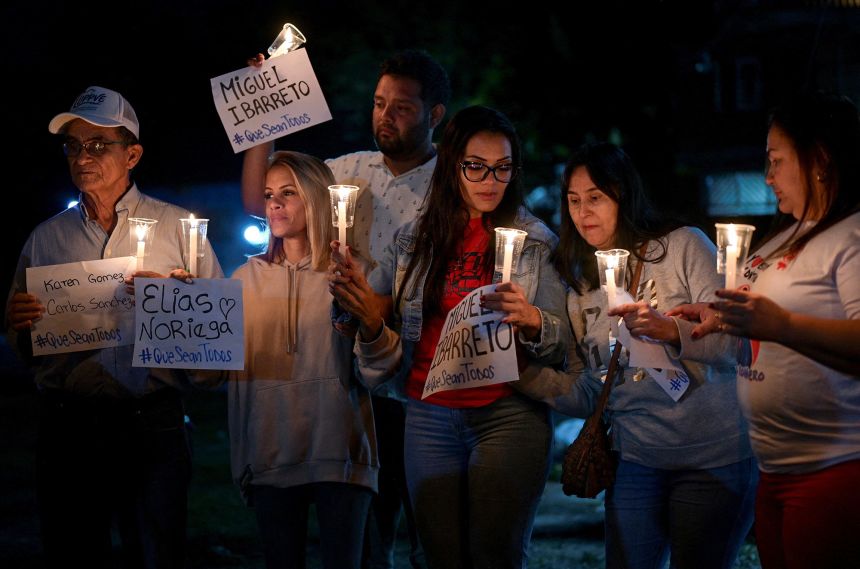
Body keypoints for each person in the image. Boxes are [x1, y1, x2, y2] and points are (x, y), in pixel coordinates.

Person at [329, 105, 570, 569]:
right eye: (475, 166)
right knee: (441, 555)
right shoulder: (414, 239)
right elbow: (388, 313)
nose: (489, 180)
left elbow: (561, 343)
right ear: (452, 166)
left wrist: (535, 321)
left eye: (502, 168)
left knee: (494, 554)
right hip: (429, 414)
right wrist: (353, 301)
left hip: (507, 413)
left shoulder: (536, 242)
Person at [243, 48, 450, 569]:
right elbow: (268, 195)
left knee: (436, 535)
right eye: (380, 103)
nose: (386, 115)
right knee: (368, 544)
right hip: (362, 384)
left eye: (402, 107)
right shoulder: (347, 171)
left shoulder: (457, 181)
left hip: (431, 386)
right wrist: (261, 110)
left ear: (436, 115)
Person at [4, 85, 224, 568]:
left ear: (133, 154)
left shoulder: (180, 230)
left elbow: (214, 360)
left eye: (98, 145)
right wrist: (20, 326)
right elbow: (24, 344)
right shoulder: (45, 241)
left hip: (153, 425)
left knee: (155, 552)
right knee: (74, 549)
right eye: (74, 146)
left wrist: (176, 307)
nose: (83, 156)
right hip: (69, 427)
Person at [515, 142, 757, 569]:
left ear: (622, 196)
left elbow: (733, 344)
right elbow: (591, 391)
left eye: (595, 198)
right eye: (573, 200)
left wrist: (671, 330)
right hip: (637, 462)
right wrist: (521, 374)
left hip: (713, 458)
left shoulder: (682, 246)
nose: (583, 212)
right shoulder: (583, 290)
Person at [671, 91, 860, 569]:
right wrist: (721, 316)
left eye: (776, 161)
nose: (768, 177)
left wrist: (784, 325)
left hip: (832, 467)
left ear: (818, 158)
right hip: (772, 468)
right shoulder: (787, 233)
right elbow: (761, 320)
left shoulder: (851, 237)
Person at [189, 150, 379, 569]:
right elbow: (208, 376)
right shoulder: (242, 281)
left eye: (289, 193)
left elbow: (378, 369)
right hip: (270, 454)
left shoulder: (355, 272)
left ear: (315, 198)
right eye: (270, 193)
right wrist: (184, 322)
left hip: (339, 455)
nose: (274, 203)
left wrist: (367, 318)